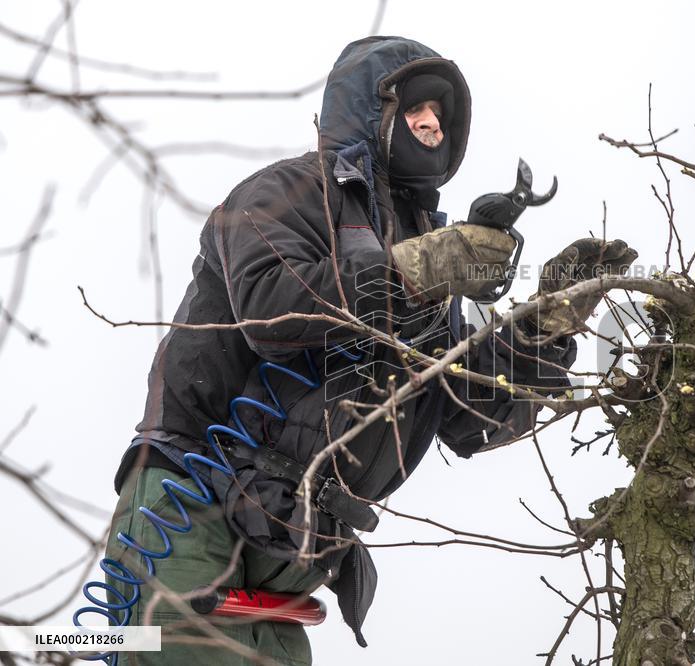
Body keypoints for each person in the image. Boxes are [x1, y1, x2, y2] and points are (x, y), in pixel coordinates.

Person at [105, 36, 637, 664]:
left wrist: (541, 328)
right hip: (192, 504)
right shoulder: (286, 192)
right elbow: (270, 308)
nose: (432, 123)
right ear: (369, 108)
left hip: (291, 549)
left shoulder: (427, 257)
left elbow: (468, 417)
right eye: (417, 105)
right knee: (161, 649)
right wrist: (419, 267)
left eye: (443, 115)